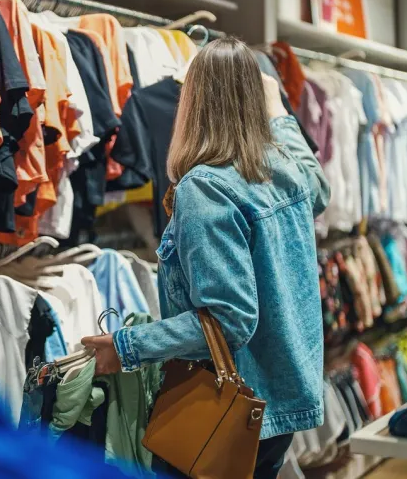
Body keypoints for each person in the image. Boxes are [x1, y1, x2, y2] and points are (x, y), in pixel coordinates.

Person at [82, 37, 330, 479]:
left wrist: (126, 347)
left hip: (228, 407)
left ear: (192, 100)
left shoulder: (207, 187)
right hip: (282, 397)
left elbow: (230, 319)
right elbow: (319, 185)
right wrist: (277, 112)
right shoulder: (283, 167)